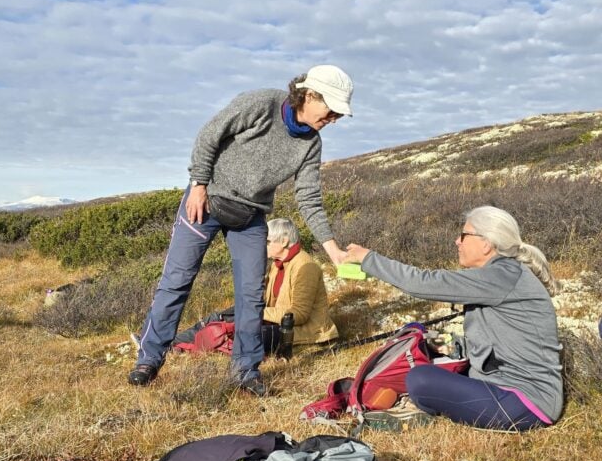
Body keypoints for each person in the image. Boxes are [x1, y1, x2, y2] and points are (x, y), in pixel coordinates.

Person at [129, 66, 354, 394]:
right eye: (331, 109)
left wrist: (331, 247)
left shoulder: (311, 144)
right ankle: (149, 358)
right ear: (309, 95)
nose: (334, 118)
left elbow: (308, 197)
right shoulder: (261, 104)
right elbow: (210, 135)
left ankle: (246, 372)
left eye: (339, 114)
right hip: (205, 203)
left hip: (249, 217)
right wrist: (198, 183)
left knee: (251, 296)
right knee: (176, 282)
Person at [344, 206, 562, 431]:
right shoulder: (504, 274)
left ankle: (414, 411)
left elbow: (424, 282)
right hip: (502, 386)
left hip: (526, 402)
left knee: (420, 379)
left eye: (464, 235)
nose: (457, 241)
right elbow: (498, 341)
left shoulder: (501, 275)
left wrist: (368, 258)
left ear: (486, 243)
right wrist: (444, 344)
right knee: (425, 357)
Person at [172, 217, 339, 352]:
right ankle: (173, 342)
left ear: (284, 241)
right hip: (274, 320)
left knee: (237, 333)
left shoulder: (305, 266)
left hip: (305, 331)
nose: (262, 245)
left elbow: (299, 314)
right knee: (218, 318)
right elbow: (265, 299)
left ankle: (185, 345)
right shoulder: (277, 264)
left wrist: (256, 312)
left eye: (267, 241)